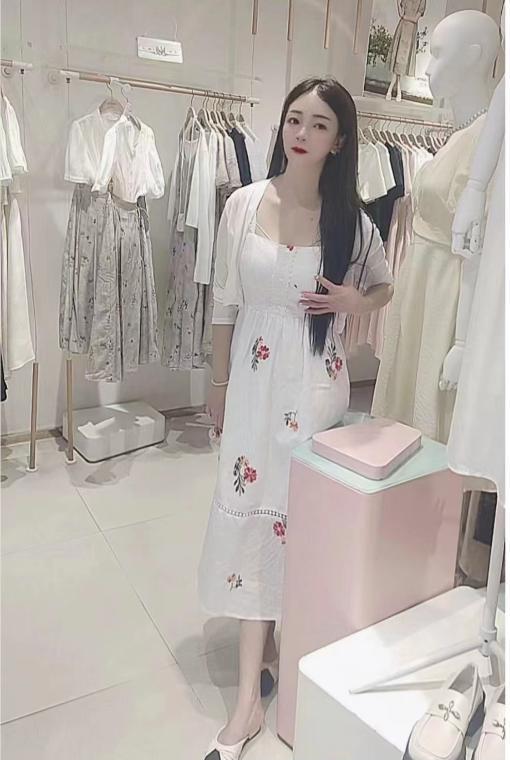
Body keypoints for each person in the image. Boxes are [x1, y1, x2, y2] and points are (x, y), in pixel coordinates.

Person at [199, 77, 394, 760]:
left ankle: (279, 648)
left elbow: (384, 286)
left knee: (295, 521)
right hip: (252, 389)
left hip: (315, 393)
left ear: (339, 141)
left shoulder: (351, 222)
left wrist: (352, 301)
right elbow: (225, 301)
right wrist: (217, 382)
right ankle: (248, 699)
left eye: (318, 123)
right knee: (253, 517)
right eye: (293, 119)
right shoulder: (245, 204)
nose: (301, 133)